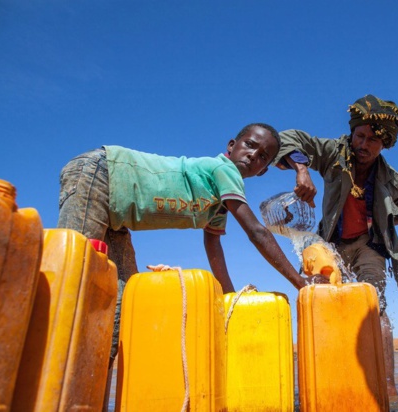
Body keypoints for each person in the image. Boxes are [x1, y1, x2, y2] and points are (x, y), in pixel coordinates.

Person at [57, 122, 306, 408]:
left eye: (263, 156)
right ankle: (57, 397)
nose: (253, 156)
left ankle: (88, 402)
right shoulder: (223, 170)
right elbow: (256, 231)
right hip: (101, 175)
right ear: (231, 146)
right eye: (250, 145)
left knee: (116, 312)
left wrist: (229, 296)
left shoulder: (218, 202)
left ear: (262, 171)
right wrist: (300, 283)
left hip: (116, 218)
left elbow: (213, 245)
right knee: (78, 295)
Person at [275, 95, 398, 399]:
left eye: (372, 140)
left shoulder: (393, 180)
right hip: (332, 243)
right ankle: (328, 378)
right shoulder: (333, 153)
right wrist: (302, 170)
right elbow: (289, 139)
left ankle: (387, 385)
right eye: (359, 135)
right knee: (320, 302)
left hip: (370, 246)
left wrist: (385, 224)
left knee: (373, 308)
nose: (363, 144)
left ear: (385, 145)